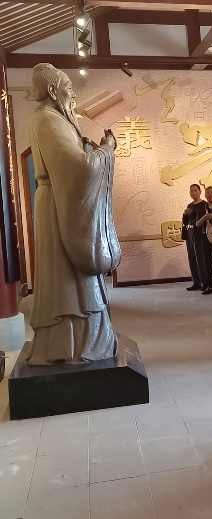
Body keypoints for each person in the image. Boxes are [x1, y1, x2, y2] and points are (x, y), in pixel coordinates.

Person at [26, 63, 120, 365]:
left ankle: (75, 342)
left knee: (73, 279)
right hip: (58, 206)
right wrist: (106, 149)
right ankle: (69, 346)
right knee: (66, 278)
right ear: (53, 91)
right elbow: (80, 169)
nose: (73, 93)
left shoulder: (53, 118)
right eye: (68, 87)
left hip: (57, 200)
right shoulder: (47, 119)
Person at [182, 183, 207, 291]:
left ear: (200, 192)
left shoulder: (204, 204)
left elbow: (201, 219)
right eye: (191, 191)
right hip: (190, 233)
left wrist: (192, 213)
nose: (193, 193)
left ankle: (205, 282)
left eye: (195, 190)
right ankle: (196, 282)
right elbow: (186, 222)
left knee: (200, 258)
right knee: (192, 258)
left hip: (199, 233)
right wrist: (185, 214)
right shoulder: (190, 205)